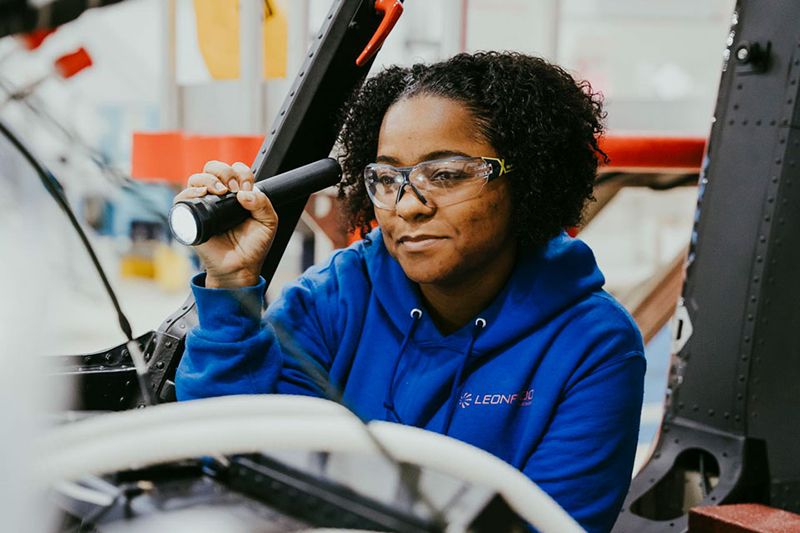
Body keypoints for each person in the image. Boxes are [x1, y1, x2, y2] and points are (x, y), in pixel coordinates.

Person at [174, 52, 645, 533]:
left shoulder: (595, 347)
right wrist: (230, 286)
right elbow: (235, 457)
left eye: (446, 175)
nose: (408, 206)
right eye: (386, 178)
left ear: (524, 178)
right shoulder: (337, 298)